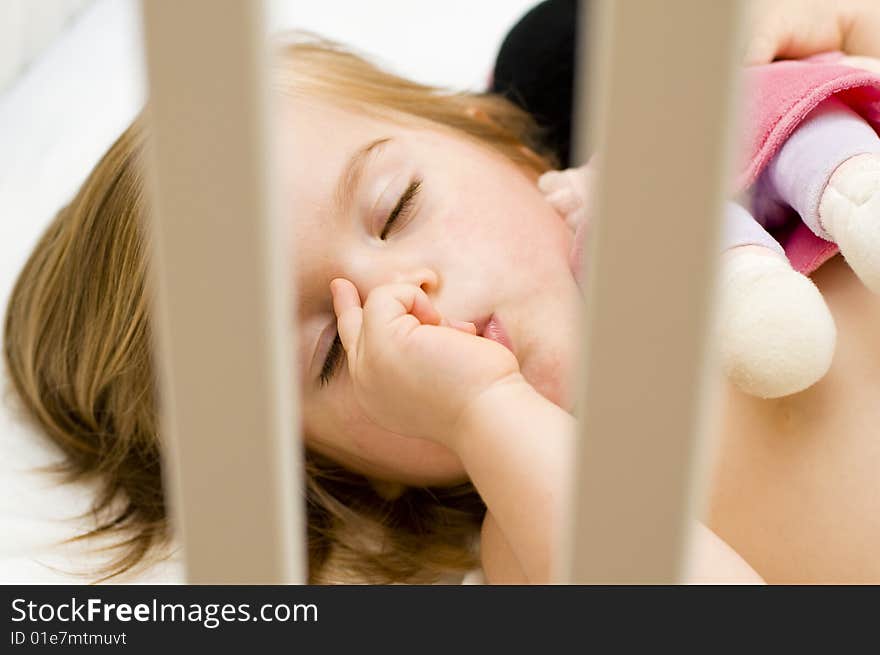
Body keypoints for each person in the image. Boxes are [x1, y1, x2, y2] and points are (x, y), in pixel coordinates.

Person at [4, 12, 879, 582]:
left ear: (493, 134)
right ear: (353, 477)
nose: (403, 296)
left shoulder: (750, 171)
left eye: (397, 208)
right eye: (337, 352)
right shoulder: (530, 542)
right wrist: (486, 411)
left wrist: (841, 21)